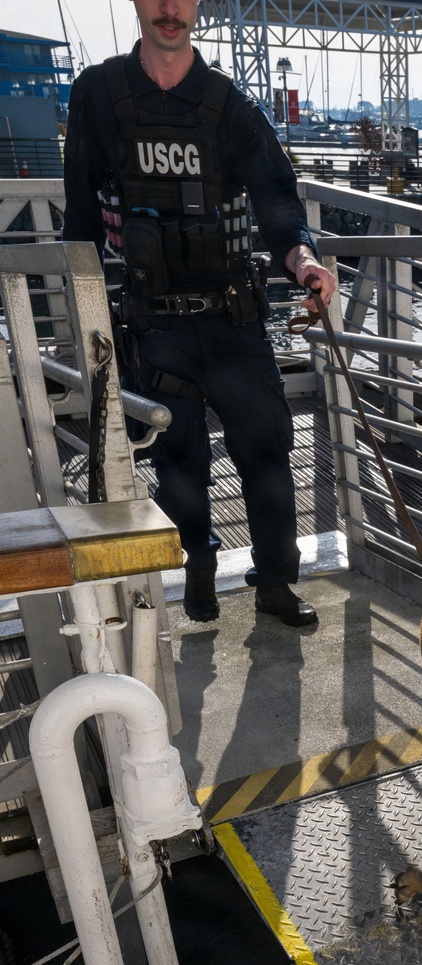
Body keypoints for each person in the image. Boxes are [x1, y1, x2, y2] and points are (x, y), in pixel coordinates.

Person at [62, 0, 338, 626]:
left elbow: (277, 204)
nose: (169, 9)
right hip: (152, 324)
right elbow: (80, 215)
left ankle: (274, 584)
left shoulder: (230, 105)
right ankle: (198, 578)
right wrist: (82, 315)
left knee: (268, 455)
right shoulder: (98, 96)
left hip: (233, 318)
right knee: (176, 464)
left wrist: (304, 263)